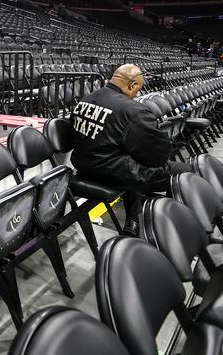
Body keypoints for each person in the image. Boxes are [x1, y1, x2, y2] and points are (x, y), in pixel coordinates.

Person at [69, 64, 192, 237]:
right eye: (138, 90)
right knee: (186, 172)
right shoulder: (133, 111)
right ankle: (170, 230)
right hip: (111, 174)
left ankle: (132, 220)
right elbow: (159, 156)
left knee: (129, 160)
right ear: (132, 85)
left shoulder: (85, 100)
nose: (137, 95)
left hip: (84, 167)